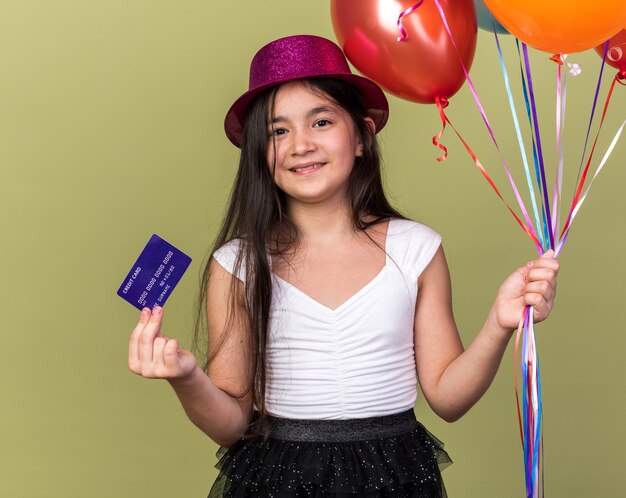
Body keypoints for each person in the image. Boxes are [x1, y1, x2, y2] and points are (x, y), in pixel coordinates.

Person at [128, 35, 559, 497]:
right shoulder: (237, 265)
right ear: (259, 151)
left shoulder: (416, 248)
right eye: (278, 131)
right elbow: (231, 424)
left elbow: (448, 398)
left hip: (395, 477)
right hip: (277, 481)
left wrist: (499, 323)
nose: (300, 144)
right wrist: (187, 377)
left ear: (362, 137)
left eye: (321, 121)